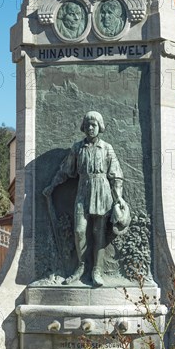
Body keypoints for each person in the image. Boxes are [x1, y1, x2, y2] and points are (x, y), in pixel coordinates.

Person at [42, 111, 126, 287]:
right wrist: (52, 186)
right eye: (87, 125)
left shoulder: (107, 148)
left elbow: (116, 175)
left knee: (98, 232)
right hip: (83, 191)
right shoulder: (77, 148)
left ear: (100, 127)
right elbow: (65, 170)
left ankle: (96, 270)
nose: (90, 128)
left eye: (93, 125)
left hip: (102, 192)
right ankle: (80, 267)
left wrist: (118, 198)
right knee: (80, 231)